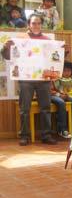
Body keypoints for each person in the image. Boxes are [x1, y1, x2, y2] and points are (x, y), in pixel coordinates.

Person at [1, 14, 57, 146]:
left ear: (41, 25)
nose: (36, 25)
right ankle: (24, 136)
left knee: (45, 108)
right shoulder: (20, 39)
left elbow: (54, 59)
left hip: (44, 79)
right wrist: (5, 48)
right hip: (26, 80)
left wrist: (62, 52)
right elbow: (9, 57)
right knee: (24, 108)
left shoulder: (47, 40)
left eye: (38, 23)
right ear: (29, 25)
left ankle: (46, 135)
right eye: (33, 23)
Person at [51, 61, 72, 138]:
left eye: (68, 71)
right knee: (61, 102)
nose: (66, 73)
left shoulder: (71, 80)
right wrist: (59, 95)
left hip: (63, 95)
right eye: (64, 71)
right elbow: (52, 90)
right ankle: (62, 129)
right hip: (52, 95)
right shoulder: (57, 78)